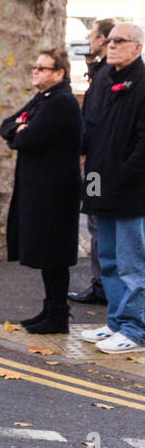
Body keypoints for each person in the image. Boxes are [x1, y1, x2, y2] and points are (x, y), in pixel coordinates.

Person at [0, 48, 82, 334]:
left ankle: (58, 315)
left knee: (55, 253)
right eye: (35, 67)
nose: (35, 71)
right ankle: (51, 309)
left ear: (59, 73)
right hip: (41, 189)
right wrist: (19, 128)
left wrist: (22, 131)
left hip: (56, 191)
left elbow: (26, 140)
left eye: (43, 68)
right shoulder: (44, 98)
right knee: (47, 253)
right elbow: (7, 125)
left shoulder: (61, 102)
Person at [78, 22, 145, 354]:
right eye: (111, 40)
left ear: (138, 47)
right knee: (106, 257)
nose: (112, 45)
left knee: (132, 261)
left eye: (121, 41)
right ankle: (116, 322)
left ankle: (135, 329)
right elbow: (90, 124)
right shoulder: (104, 78)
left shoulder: (142, 83)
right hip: (97, 179)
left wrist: (123, 174)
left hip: (130, 188)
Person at [70, 17, 118, 305]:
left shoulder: (107, 75)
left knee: (97, 222)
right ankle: (101, 283)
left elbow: (94, 118)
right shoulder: (102, 71)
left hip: (98, 168)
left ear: (102, 40)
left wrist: (83, 152)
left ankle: (102, 285)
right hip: (95, 165)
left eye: (91, 34)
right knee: (95, 220)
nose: (86, 37)